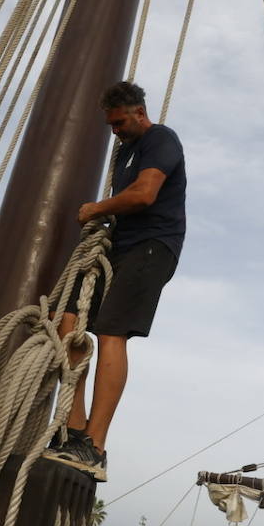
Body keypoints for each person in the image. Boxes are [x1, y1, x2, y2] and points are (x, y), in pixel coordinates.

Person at [43, 81, 185, 481]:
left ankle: (95, 446)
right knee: (63, 318)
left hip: (153, 247)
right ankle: (74, 428)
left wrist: (96, 208)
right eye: (110, 125)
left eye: (120, 123)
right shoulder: (125, 151)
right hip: (119, 247)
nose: (115, 132)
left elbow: (143, 195)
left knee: (111, 332)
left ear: (140, 113)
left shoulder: (160, 139)